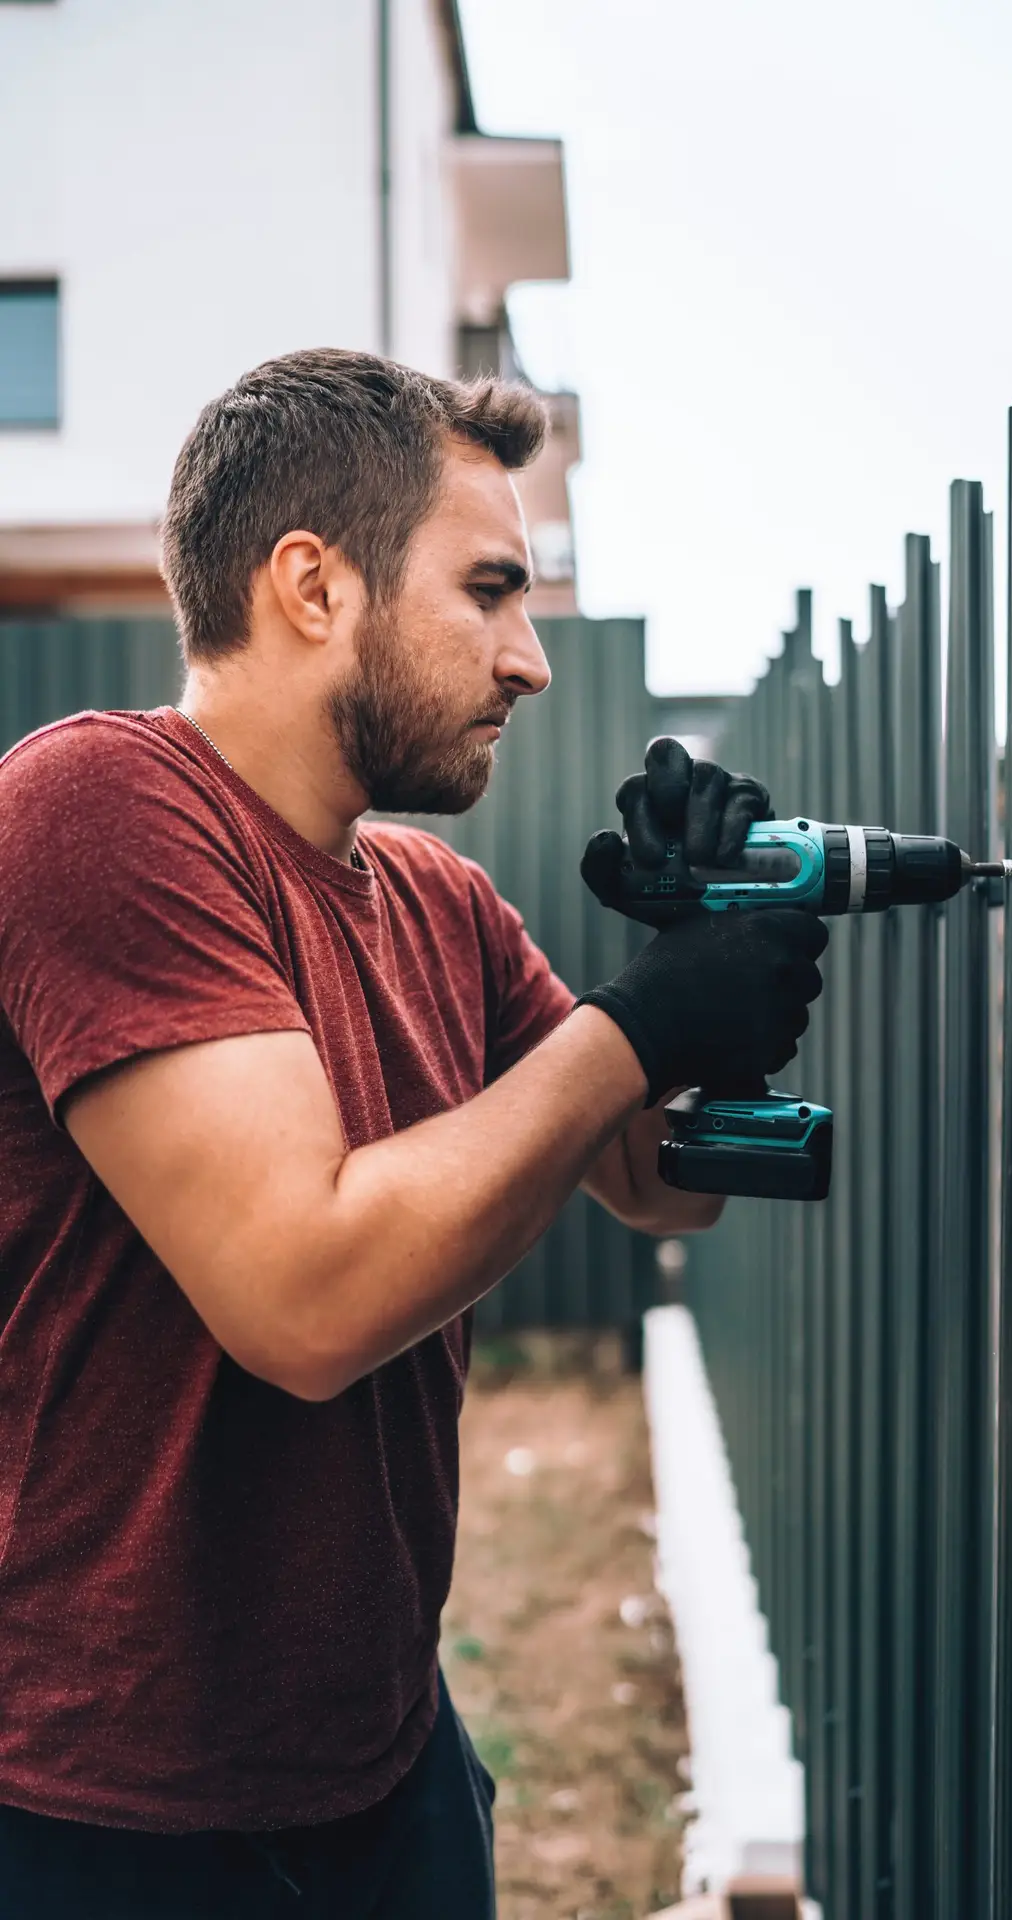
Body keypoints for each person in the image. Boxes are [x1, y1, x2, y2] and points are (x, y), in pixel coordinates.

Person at [0, 348, 827, 1918]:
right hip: (104, 1817)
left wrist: (702, 963)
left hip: (386, 1769)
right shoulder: (97, 808)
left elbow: (660, 1186)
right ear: (314, 585)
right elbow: (302, 1301)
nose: (531, 660)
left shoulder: (435, 902)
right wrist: (641, 1018)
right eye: (491, 592)